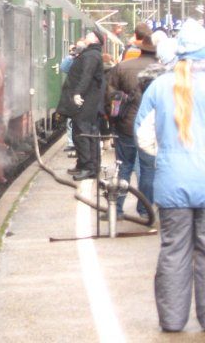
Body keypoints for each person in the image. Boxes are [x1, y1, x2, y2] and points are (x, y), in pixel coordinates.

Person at [135, 18, 205, 332]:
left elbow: (143, 137)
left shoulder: (160, 86)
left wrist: (165, 160)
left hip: (172, 184)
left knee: (174, 249)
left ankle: (173, 321)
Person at [106, 34, 158, 219]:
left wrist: (113, 121)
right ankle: (145, 210)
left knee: (124, 166)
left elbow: (110, 96)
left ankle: (117, 209)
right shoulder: (163, 71)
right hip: (152, 129)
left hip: (127, 125)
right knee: (148, 170)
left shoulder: (122, 67)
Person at [57, 29, 105, 180]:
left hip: (87, 101)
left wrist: (78, 93)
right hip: (88, 100)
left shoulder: (92, 55)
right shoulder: (90, 53)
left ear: (95, 40)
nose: (87, 36)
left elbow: (86, 75)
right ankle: (83, 164)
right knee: (80, 132)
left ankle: (89, 167)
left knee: (84, 133)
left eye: (90, 35)